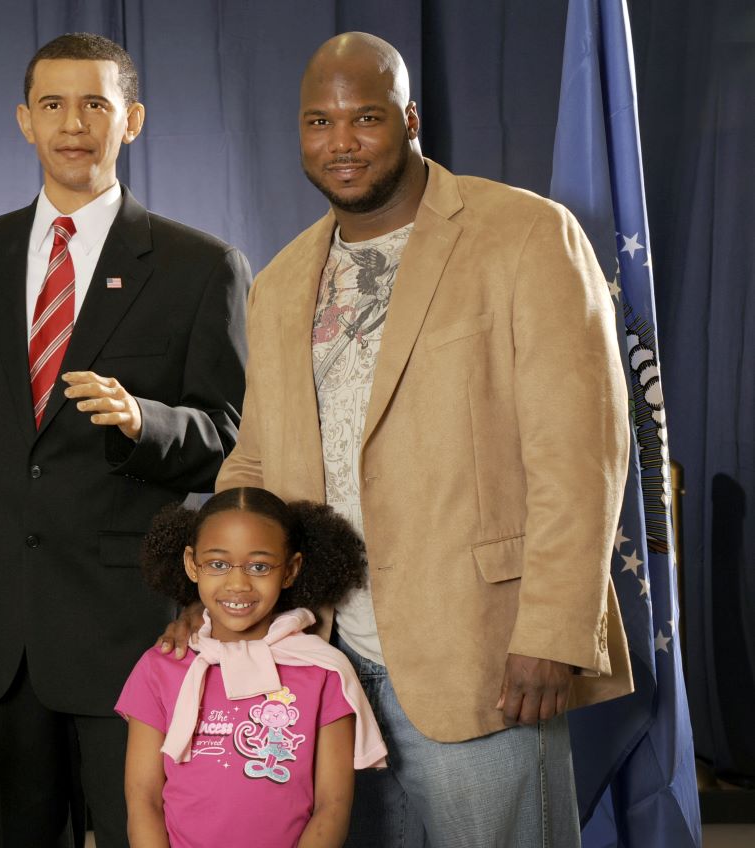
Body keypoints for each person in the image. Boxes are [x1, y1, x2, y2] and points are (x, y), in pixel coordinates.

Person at [210, 32, 633, 847]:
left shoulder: (523, 234)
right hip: (322, 658)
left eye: (365, 118)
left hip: (480, 648)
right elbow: (257, 457)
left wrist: (553, 630)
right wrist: (219, 588)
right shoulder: (282, 278)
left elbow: (580, 451)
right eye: (319, 123)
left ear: (409, 119)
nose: (341, 143)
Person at [0, 33, 250, 848]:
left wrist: (142, 421)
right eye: (53, 104)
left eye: (95, 103)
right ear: (24, 121)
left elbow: (229, 438)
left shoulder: (199, 266)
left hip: (129, 627)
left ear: (132, 120)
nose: (73, 123)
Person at [119, 487, 386, 848]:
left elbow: (333, 806)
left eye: (259, 566)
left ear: (291, 569)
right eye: (217, 564)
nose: (238, 583)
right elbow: (143, 801)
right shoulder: (160, 667)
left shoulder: (325, 673)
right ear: (191, 564)